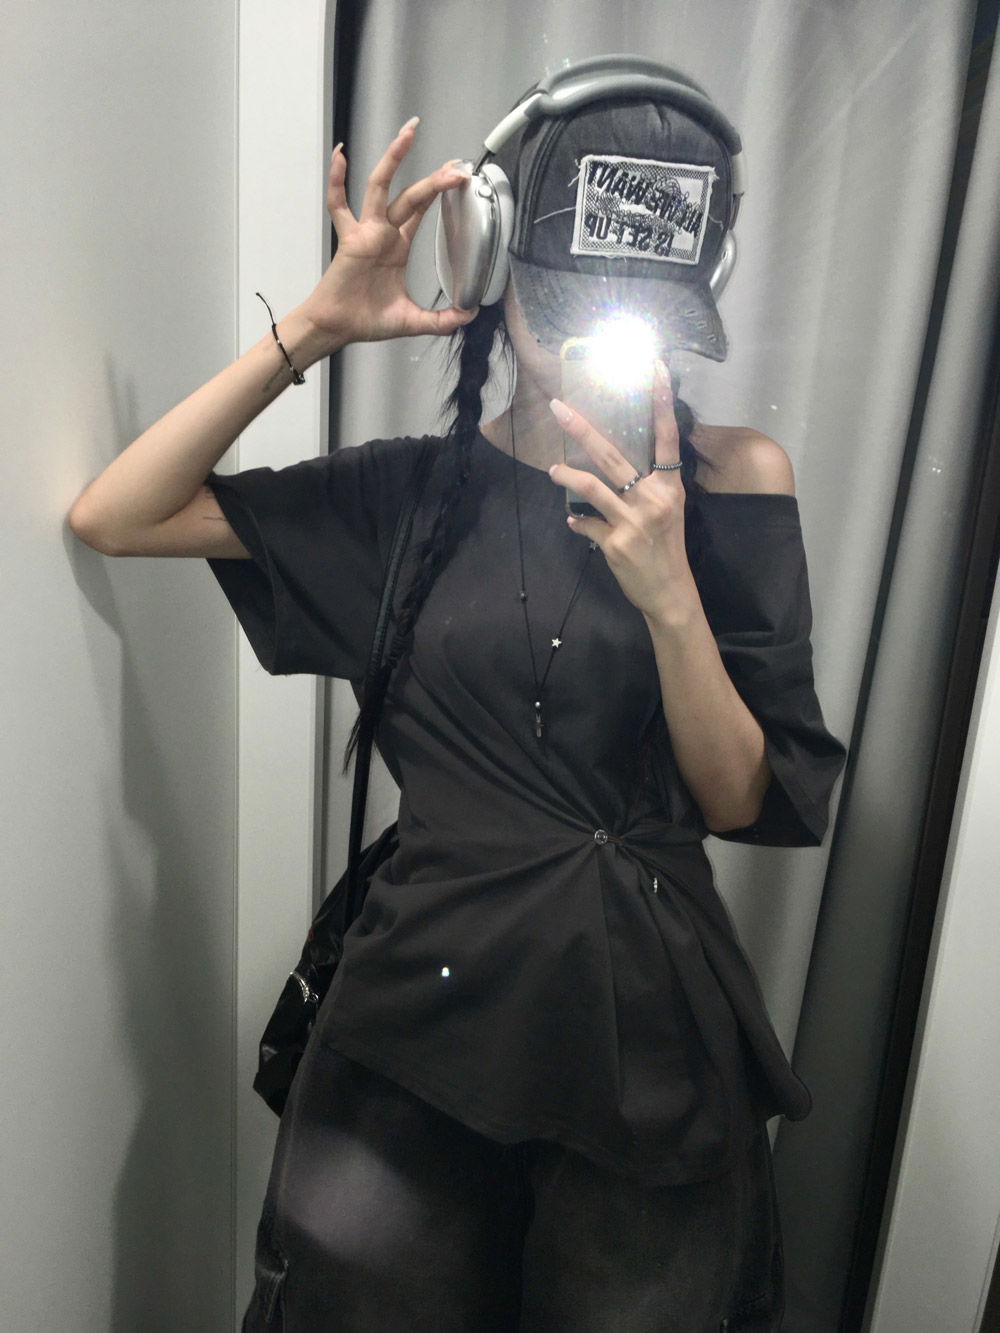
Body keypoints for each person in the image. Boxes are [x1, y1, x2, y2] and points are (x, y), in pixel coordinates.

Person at [70, 58, 846, 1333]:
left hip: (645, 1036)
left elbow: (736, 795)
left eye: (637, 312)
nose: (595, 346)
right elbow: (119, 513)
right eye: (567, 302)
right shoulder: (407, 497)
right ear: (486, 262)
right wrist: (315, 327)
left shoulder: (734, 476)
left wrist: (670, 594)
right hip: (416, 1029)